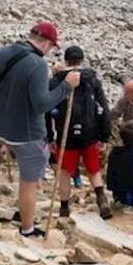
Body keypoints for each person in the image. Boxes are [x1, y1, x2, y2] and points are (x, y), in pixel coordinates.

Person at [0, 21, 78, 238]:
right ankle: (27, 228)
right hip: (28, 134)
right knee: (28, 184)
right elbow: (42, 104)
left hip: (3, 128)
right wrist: (67, 85)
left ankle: (23, 211)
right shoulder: (37, 64)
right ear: (47, 44)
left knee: (27, 178)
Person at [47, 45, 112, 218]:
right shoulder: (92, 80)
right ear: (82, 61)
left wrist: (49, 137)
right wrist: (104, 135)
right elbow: (104, 108)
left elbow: (46, 110)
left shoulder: (55, 81)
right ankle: (101, 198)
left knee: (64, 171)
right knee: (93, 168)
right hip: (89, 132)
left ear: (65, 61)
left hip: (65, 134)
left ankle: (64, 207)